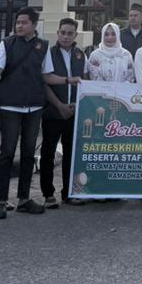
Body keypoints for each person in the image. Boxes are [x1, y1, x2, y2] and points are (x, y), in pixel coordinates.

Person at [0, 6, 55, 220]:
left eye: (24, 22)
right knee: (7, 152)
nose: (20, 26)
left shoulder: (43, 46)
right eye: (18, 22)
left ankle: (24, 198)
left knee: (28, 153)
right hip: (10, 106)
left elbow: (47, 76)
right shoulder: (6, 44)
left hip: (34, 106)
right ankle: (1, 201)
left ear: (34, 24)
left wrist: (69, 81)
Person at [40, 17, 85, 209]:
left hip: (74, 112)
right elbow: (44, 82)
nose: (66, 36)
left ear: (76, 35)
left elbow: (84, 82)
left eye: (70, 33)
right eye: (63, 33)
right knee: (48, 153)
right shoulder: (48, 53)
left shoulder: (81, 55)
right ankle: (48, 194)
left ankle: (68, 192)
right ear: (58, 33)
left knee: (71, 154)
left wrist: (76, 105)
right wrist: (59, 105)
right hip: (52, 111)